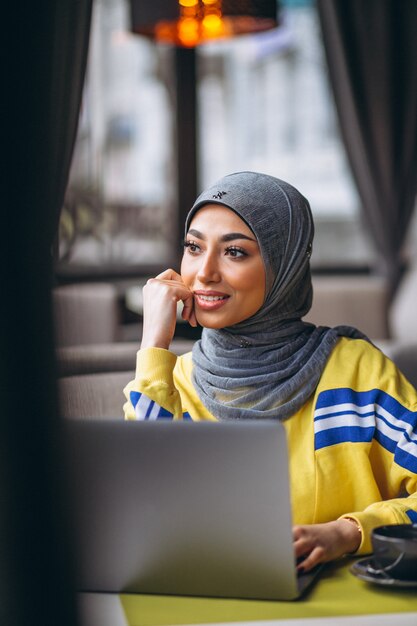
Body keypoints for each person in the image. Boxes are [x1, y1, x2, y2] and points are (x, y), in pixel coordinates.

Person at [123, 171, 417, 572]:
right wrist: (153, 344)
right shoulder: (172, 381)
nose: (204, 272)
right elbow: (134, 511)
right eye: (193, 247)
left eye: (235, 252)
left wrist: (348, 533)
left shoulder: (358, 373)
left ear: (286, 265)